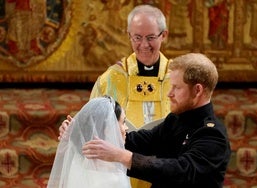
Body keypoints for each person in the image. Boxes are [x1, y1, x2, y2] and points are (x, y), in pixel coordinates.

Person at [59, 5, 170, 187]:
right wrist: (72, 131)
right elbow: (91, 127)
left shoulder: (178, 78)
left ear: (163, 35)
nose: (143, 45)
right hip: (119, 172)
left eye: (150, 38)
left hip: (166, 170)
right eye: (137, 37)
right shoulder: (111, 78)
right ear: (128, 36)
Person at [82, 53, 231, 187]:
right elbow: (142, 141)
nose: (169, 94)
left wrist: (123, 156)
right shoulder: (175, 119)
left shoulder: (212, 134)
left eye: (176, 88)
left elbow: (181, 170)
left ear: (197, 90)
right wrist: (83, 132)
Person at [47, 96, 131, 188]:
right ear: (109, 127)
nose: (127, 128)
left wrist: (77, 131)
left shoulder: (77, 161)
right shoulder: (116, 176)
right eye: (123, 122)